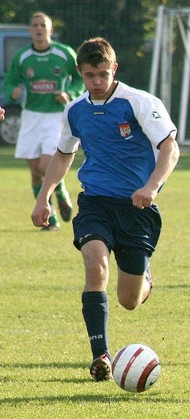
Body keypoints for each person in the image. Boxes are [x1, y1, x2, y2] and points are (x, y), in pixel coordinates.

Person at [31, 37, 180, 382]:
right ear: (80, 74)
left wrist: (151, 186)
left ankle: (144, 279)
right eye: (89, 75)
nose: (97, 81)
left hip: (136, 206)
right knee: (95, 265)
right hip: (95, 201)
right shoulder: (76, 110)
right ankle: (101, 356)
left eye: (102, 73)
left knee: (130, 300)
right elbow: (64, 154)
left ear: (114, 68)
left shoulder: (139, 102)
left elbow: (170, 147)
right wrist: (43, 198)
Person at [4, 12, 85, 231]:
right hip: (30, 116)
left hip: (55, 117)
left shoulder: (64, 53)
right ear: (30, 30)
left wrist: (69, 93)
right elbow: (9, 82)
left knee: (46, 164)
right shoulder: (23, 57)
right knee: (34, 172)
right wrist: (12, 91)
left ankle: (60, 193)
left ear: (50, 29)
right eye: (35, 25)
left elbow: (80, 79)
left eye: (43, 25)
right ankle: (52, 219)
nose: (39, 29)